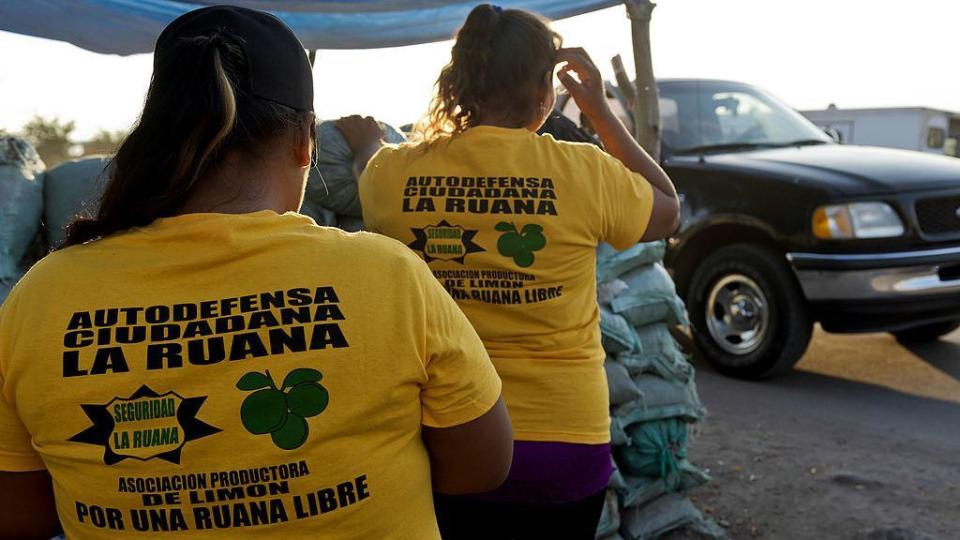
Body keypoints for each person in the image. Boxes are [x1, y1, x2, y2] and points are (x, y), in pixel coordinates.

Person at [0, 6, 512, 540]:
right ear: (304, 143)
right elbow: (481, 468)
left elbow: (20, 515)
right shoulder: (386, 275)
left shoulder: (43, 295)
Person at [337, 4, 681, 538]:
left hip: (452, 441)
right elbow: (666, 208)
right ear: (545, 88)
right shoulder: (584, 171)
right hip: (567, 447)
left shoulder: (394, 172)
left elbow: (368, 169)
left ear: (460, 79)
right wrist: (599, 111)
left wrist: (365, 143)